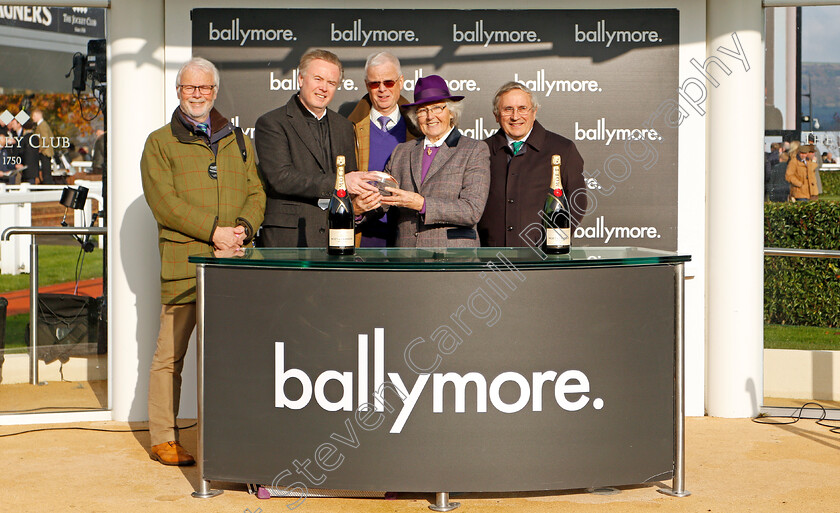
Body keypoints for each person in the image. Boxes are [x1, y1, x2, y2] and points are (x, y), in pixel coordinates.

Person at [140, 57, 265, 466]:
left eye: (205, 88)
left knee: (235, 357)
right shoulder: (159, 143)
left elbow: (256, 192)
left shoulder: (238, 139)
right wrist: (214, 231)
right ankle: (163, 437)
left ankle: (234, 435)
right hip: (184, 267)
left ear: (214, 91)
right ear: (179, 92)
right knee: (169, 357)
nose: (198, 95)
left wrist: (243, 228)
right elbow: (164, 204)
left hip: (233, 266)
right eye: (190, 88)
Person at [255, 49, 372, 247]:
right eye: (318, 79)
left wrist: (364, 200)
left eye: (331, 83)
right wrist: (340, 182)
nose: (324, 88)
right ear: (301, 79)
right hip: (290, 239)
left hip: (336, 237)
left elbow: (350, 180)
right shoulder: (272, 123)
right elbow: (281, 178)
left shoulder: (344, 126)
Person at [378, 75, 490, 247]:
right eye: (423, 110)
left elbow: (471, 210)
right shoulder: (401, 152)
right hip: (408, 258)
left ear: (451, 112)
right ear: (416, 117)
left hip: (453, 258)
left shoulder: (474, 150)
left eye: (437, 108)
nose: (430, 116)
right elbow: (382, 198)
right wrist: (359, 209)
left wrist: (422, 204)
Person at [478, 82, 586, 247]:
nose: (515, 116)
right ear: (496, 115)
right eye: (508, 109)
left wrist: (554, 242)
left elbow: (577, 201)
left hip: (544, 258)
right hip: (491, 258)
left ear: (534, 112)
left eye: (523, 108)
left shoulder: (563, 149)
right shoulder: (480, 152)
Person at [347, 51, 420, 247]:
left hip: (408, 233)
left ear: (401, 82)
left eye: (388, 82)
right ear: (366, 86)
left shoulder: (421, 127)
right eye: (374, 83)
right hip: (362, 234)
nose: (382, 89)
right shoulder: (348, 128)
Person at [31, 109, 55, 184]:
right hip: (46, 152)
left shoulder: (42, 125)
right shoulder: (42, 125)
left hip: (45, 152)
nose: (33, 118)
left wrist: (40, 149)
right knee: (46, 173)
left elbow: (46, 140)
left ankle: (48, 188)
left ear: (39, 115)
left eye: (34, 116)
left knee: (46, 173)